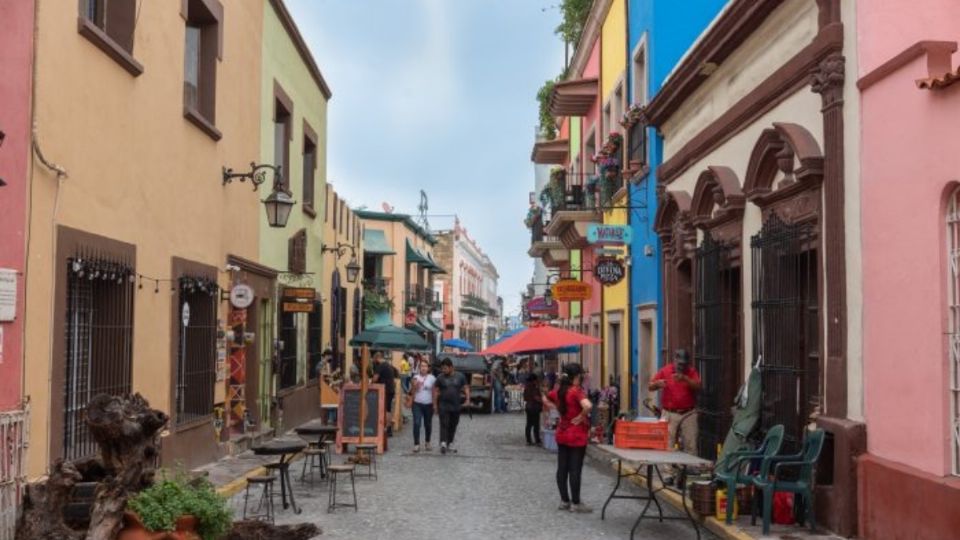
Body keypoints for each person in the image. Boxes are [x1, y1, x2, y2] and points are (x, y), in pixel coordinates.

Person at [545, 363, 593, 513]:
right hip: (577, 434)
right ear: (577, 376)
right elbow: (588, 405)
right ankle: (576, 503)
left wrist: (557, 410)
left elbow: (545, 398)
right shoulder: (576, 391)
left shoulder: (558, 391)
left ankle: (564, 501)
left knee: (562, 468)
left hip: (562, 432)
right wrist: (580, 416)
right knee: (575, 469)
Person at [649, 348, 702, 456]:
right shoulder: (665, 370)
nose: (682, 367)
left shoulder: (691, 371)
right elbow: (650, 387)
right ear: (675, 360)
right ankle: (668, 470)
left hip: (688, 413)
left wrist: (685, 378)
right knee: (668, 444)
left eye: (684, 364)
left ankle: (689, 468)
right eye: (680, 364)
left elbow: (698, 387)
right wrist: (657, 384)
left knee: (691, 443)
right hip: (669, 413)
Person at [433, 357, 469, 454]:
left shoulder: (460, 376)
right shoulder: (440, 378)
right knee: (444, 423)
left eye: (445, 368)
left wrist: (467, 399)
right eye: (442, 368)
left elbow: (466, 388)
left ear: (451, 367)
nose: (443, 370)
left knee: (453, 424)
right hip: (443, 405)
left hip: (456, 405)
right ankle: (443, 443)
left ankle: (450, 442)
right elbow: (436, 391)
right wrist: (435, 405)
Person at [408, 359, 436, 453]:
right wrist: (415, 386)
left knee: (427, 424)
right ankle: (416, 444)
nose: (423, 368)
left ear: (428, 368)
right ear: (419, 368)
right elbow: (411, 392)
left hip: (428, 404)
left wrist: (435, 404)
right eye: (422, 366)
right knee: (416, 423)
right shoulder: (415, 377)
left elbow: (435, 392)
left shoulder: (432, 378)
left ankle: (427, 442)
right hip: (417, 404)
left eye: (425, 366)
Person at [371, 350, 396, 437]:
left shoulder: (380, 366)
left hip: (385, 390)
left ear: (377, 358)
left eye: (374, 361)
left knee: (385, 409)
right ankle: (388, 429)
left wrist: (371, 381)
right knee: (388, 409)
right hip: (391, 389)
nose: (375, 363)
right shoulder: (388, 365)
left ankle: (386, 428)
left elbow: (375, 379)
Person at [523, 372, 543, 446]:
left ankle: (528, 440)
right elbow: (536, 397)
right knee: (536, 425)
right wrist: (542, 400)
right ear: (534, 380)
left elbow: (525, 398)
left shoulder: (526, 387)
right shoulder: (533, 387)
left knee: (529, 424)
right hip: (534, 407)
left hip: (528, 407)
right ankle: (537, 440)